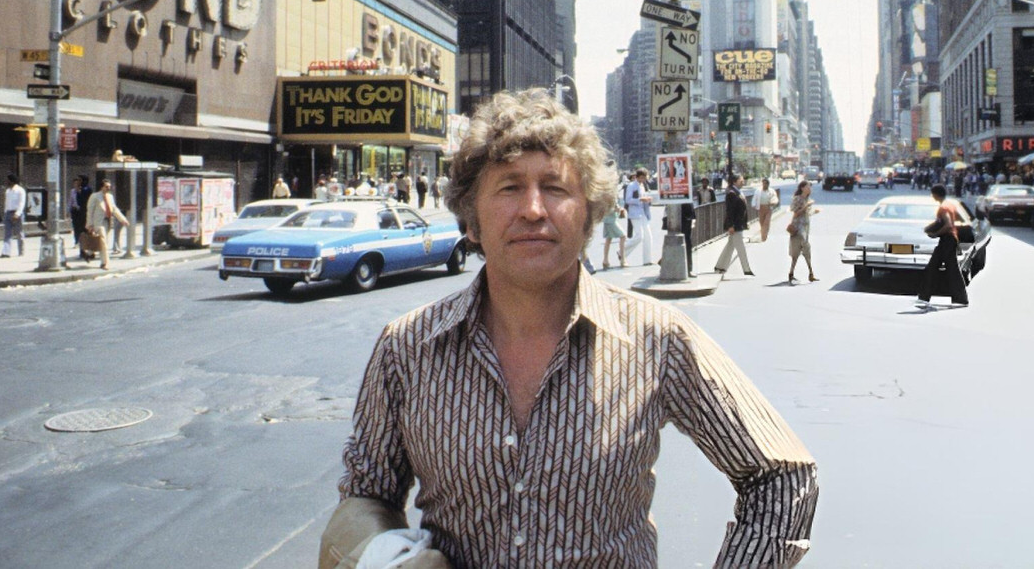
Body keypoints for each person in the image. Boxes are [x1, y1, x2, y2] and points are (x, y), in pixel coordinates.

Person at [322, 89, 817, 568]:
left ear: (588, 218)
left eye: (555, 188)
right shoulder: (407, 347)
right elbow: (367, 495)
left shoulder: (657, 338)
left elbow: (781, 475)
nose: (533, 209)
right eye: (509, 187)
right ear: (472, 221)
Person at [916, 184, 968, 309]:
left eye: (932, 194)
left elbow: (948, 224)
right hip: (951, 239)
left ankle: (924, 297)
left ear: (935, 194)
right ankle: (960, 298)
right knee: (952, 269)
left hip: (947, 240)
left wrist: (935, 233)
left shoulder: (943, 208)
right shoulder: (950, 205)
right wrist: (933, 225)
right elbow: (960, 219)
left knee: (932, 268)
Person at [712, 174, 754, 276]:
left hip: (739, 224)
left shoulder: (738, 192)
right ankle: (746, 269)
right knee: (741, 248)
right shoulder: (731, 194)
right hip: (735, 225)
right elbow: (730, 211)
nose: (743, 182)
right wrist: (730, 225)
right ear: (735, 182)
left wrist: (745, 223)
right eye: (741, 181)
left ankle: (720, 266)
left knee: (730, 246)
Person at [84, 179, 129, 269]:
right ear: (102, 187)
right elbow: (90, 211)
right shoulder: (95, 196)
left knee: (102, 241)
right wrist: (89, 224)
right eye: (107, 186)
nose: (109, 188)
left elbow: (114, 209)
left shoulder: (110, 197)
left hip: (107, 222)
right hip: (98, 223)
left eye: (109, 186)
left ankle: (89, 253)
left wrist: (123, 219)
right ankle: (105, 263)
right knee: (103, 242)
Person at [787, 180, 819, 284]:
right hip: (797, 228)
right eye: (808, 187)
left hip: (805, 228)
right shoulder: (797, 199)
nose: (810, 189)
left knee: (803, 251)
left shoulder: (808, 199)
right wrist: (806, 205)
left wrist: (814, 211)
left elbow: (807, 213)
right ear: (802, 188)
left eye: (810, 187)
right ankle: (809, 273)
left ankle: (804, 273)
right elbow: (796, 213)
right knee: (802, 249)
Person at [624, 166, 654, 265]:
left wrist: (647, 199)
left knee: (648, 236)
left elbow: (643, 197)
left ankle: (647, 260)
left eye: (645, 178)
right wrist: (640, 200)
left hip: (643, 213)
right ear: (637, 177)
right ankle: (622, 251)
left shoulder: (642, 186)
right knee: (639, 236)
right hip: (635, 213)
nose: (643, 179)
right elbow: (628, 200)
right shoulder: (631, 186)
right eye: (642, 178)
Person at [0, 174, 26, 258]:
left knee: (19, 233)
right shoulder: (8, 191)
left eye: (8, 180)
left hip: (17, 213)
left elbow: (22, 203)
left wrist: (17, 214)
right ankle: (6, 252)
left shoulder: (20, 190)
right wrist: (5, 212)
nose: (6, 181)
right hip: (8, 213)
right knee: (7, 234)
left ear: (12, 181)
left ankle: (21, 251)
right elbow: (6, 203)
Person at [601, 201, 627, 269]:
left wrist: (618, 209)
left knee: (608, 239)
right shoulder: (607, 196)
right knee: (623, 236)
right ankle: (623, 260)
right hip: (610, 220)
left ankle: (605, 261)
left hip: (610, 219)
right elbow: (605, 208)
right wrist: (615, 210)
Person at [753, 177, 778, 242]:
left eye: (766, 183)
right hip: (761, 208)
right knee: (762, 223)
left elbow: (774, 198)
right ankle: (763, 235)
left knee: (766, 222)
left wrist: (773, 202)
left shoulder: (771, 191)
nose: (765, 185)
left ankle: (764, 236)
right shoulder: (758, 191)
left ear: (768, 184)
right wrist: (754, 205)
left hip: (768, 208)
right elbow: (755, 198)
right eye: (763, 183)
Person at [69, 174, 92, 241]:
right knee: (76, 227)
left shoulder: (87, 189)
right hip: (76, 211)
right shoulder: (75, 190)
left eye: (79, 180)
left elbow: (84, 200)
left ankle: (84, 242)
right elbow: (71, 201)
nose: (78, 182)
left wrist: (79, 192)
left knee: (83, 228)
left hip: (84, 212)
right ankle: (77, 241)